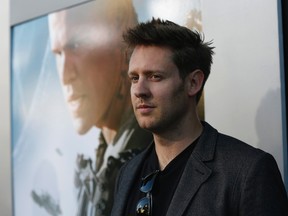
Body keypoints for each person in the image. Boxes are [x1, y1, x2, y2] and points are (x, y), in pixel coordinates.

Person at [111, 18, 288, 216]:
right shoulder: (127, 173)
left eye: (155, 76)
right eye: (134, 78)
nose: (139, 90)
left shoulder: (248, 172)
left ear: (193, 82)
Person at [48, 1, 152, 215]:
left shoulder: (151, 158)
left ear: (124, 48)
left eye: (76, 45)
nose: (65, 75)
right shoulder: (107, 157)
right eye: (58, 54)